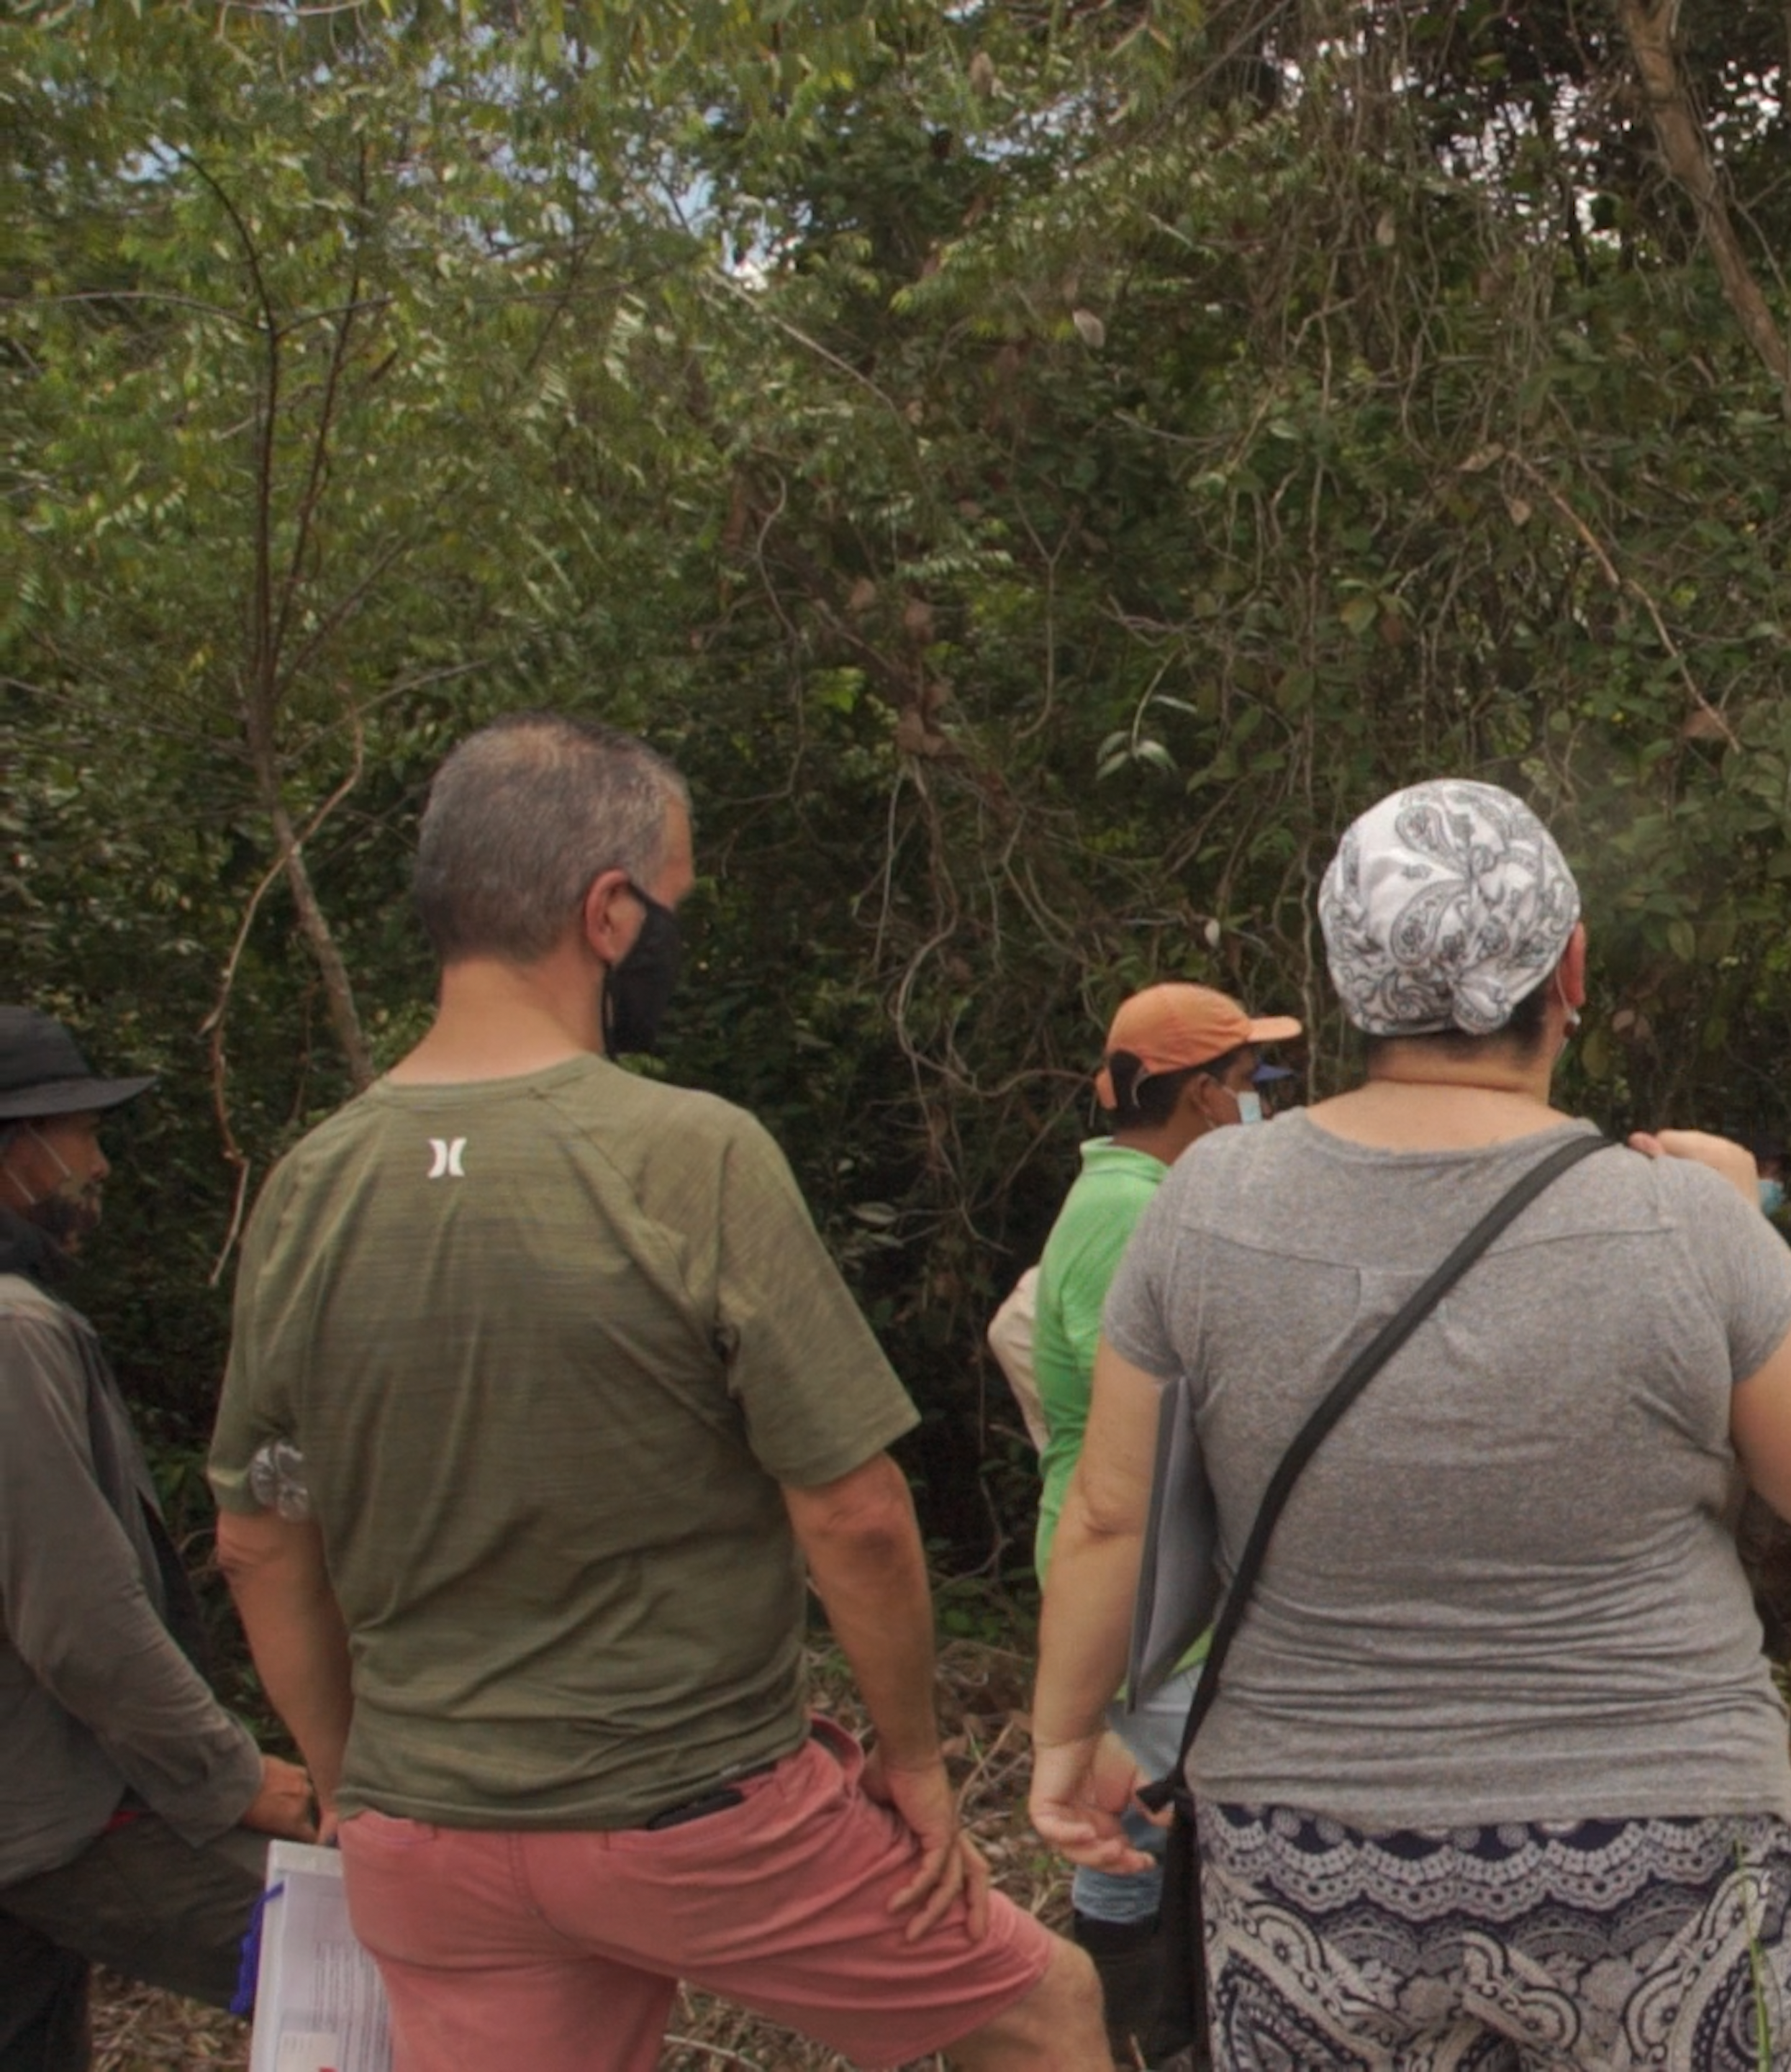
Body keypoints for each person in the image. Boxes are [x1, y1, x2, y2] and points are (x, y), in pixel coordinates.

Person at [209, 714, 1107, 2072]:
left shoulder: (310, 1187)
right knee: (1046, 2015)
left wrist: (353, 1781)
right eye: (674, 903)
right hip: (694, 1812)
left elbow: (260, 1533)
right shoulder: (688, 1157)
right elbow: (854, 1512)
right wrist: (914, 1763)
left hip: (429, 1840)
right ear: (610, 912)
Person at [1027, 777, 1791, 2072]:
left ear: (1347, 975)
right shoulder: (1680, 1218)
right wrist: (1747, 1219)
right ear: (1570, 967)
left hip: (1310, 1853)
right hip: (1657, 1846)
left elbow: (1112, 1509)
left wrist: (1067, 1737)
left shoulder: (1207, 1203)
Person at [0, 1009, 321, 2072]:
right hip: (60, 1814)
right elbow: (82, 1622)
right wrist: (228, 1777)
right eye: (78, 1134)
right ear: (14, 1151)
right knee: (371, 1966)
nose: (94, 1163)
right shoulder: (13, 1333)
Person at [1032, 982, 1302, 2068]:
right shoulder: (1131, 1216)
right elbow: (1130, 1446)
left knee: (1133, 1832)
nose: (1262, 1105)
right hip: (1153, 1590)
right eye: (1249, 1084)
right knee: (1154, 1829)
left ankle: (1136, 2032)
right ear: (1199, 1098)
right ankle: (1145, 2035)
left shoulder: (1135, 1199)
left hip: (1158, 1583)